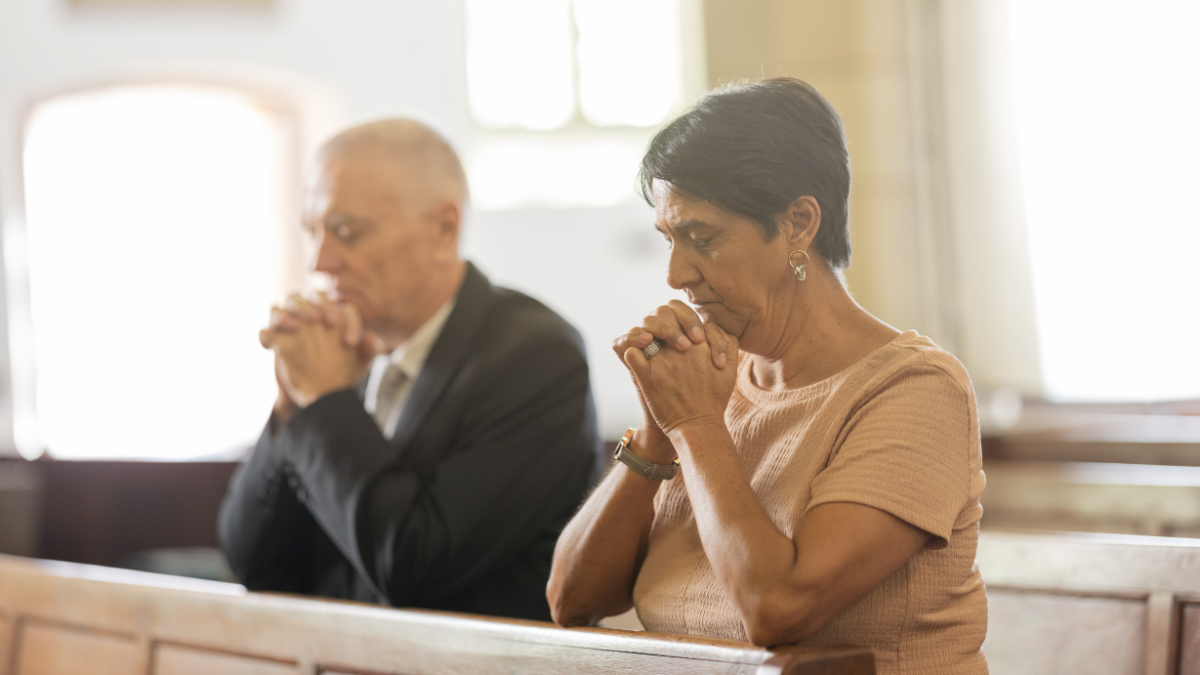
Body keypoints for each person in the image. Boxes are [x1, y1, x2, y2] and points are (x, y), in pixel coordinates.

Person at [547, 78, 988, 674]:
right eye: (669, 241)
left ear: (799, 225)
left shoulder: (916, 390)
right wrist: (656, 434)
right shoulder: (711, 382)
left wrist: (697, 424)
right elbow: (572, 600)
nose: (677, 274)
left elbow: (777, 610)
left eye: (702, 238)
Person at [219, 119, 603, 622]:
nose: (320, 261)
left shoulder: (535, 357)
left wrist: (327, 402)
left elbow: (412, 565)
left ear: (444, 229)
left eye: (347, 231)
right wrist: (293, 404)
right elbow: (253, 564)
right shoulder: (344, 356)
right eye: (312, 231)